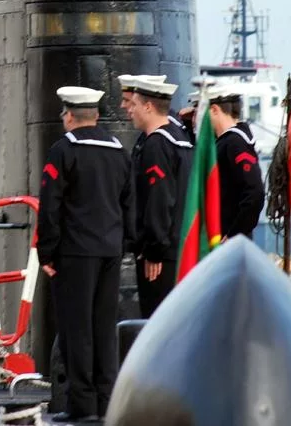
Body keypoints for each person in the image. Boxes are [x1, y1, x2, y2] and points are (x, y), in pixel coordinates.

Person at [38, 86, 135, 422]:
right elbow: (129, 205)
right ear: (95, 115)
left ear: (68, 115)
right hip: (109, 253)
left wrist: (46, 255)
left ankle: (83, 408)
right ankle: (107, 404)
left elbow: (50, 208)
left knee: (77, 330)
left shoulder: (64, 151)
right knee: (104, 330)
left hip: (75, 255)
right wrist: (121, 246)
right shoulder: (119, 151)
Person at [118, 75, 193, 320]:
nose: (129, 110)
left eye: (134, 105)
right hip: (180, 248)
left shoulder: (157, 144)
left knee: (158, 322)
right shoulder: (180, 139)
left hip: (161, 257)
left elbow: (159, 200)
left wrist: (153, 251)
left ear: (148, 106)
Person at [205, 85, 266, 241]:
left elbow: (254, 192)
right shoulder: (223, 142)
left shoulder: (235, 143)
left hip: (229, 240)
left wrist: (235, 234)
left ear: (214, 110)